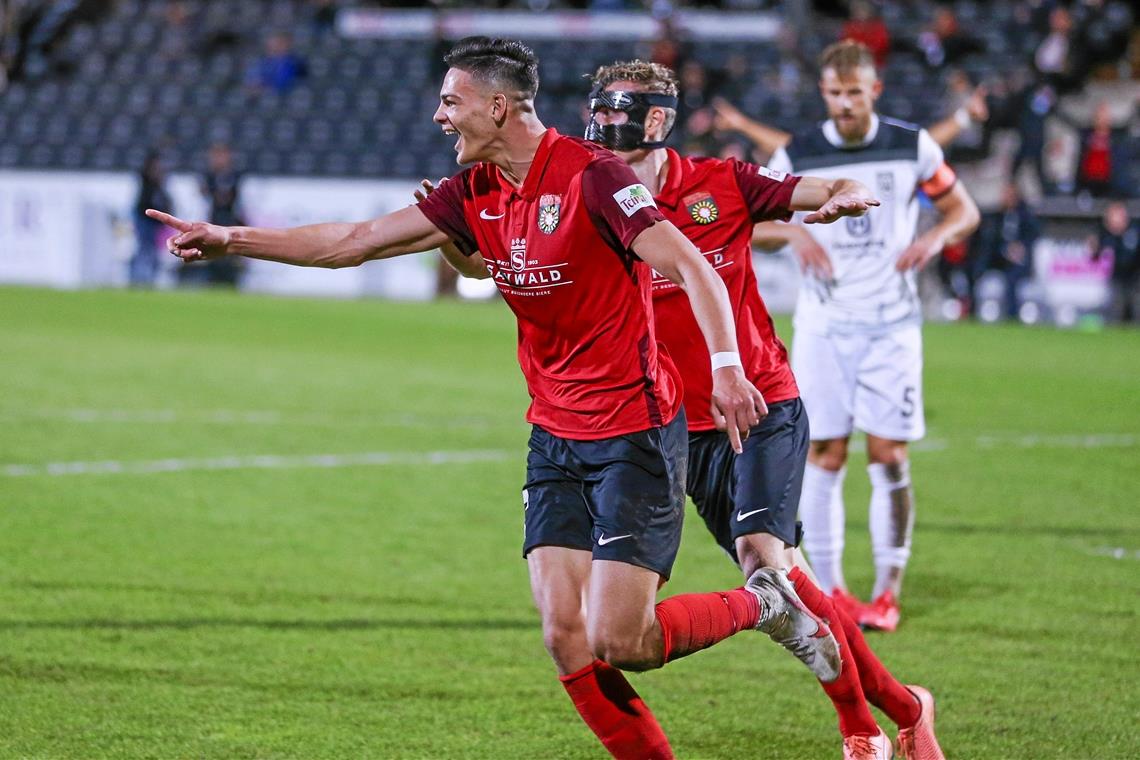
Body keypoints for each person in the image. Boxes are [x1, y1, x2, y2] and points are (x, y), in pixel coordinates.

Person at [149, 37, 843, 760]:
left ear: (498, 105)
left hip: (634, 430)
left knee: (624, 640)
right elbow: (353, 241)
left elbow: (693, 264)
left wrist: (727, 367)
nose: (439, 115)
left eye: (451, 101)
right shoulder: (473, 191)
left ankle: (766, 603)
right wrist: (232, 238)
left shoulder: (595, 176)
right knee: (565, 636)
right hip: (554, 436)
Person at [426, 58, 941, 760]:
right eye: (602, 118)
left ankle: (861, 729)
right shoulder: (585, 190)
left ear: (659, 122)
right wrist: (460, 242)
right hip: (675, 429)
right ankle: (906, 707)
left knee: (770, 564)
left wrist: (843, 192)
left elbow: (802, 189)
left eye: (627, 120)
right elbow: (493, 260)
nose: (612, 133)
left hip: (757, 406)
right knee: (790, 582)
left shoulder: (721, 183)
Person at [753, 40, 980, 632]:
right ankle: (832, 591)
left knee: (888, 454)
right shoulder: (796, 153)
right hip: (826, 327)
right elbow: (752, 225)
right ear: (823, 93)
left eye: (855, 92)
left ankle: (888, 591)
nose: (844, 103)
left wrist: (934, 239)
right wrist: (795, 235)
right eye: (834, 92)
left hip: (892, 326)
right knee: (825, 454)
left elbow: (964, 210)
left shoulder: (912, 145)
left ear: (874, 91)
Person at [970, 183, 1040, 320]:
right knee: (976, 269)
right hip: (1000, 259)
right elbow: (993, 241)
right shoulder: (998, 217)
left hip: (1020, 262)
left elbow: (1033, 236)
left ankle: (1011, 315)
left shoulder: (1026, 216)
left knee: (1011, 278)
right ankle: (972, 310)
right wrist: (1004, 250)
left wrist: (1020, 248)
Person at [130, 150, 173, 287]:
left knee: (152, 252)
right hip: (144, 221)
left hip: (155, 223)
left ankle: (147, 279)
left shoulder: (160, 185)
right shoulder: (146, 181)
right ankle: (139, 279)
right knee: (144, 251)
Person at [1092, 202, 1139, 323]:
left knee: (1136, 309)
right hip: (1117, 278)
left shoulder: (1135, 230)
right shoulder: (1105, 234)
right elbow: (1095, 256)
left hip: (1135, 278)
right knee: (1117, 311)